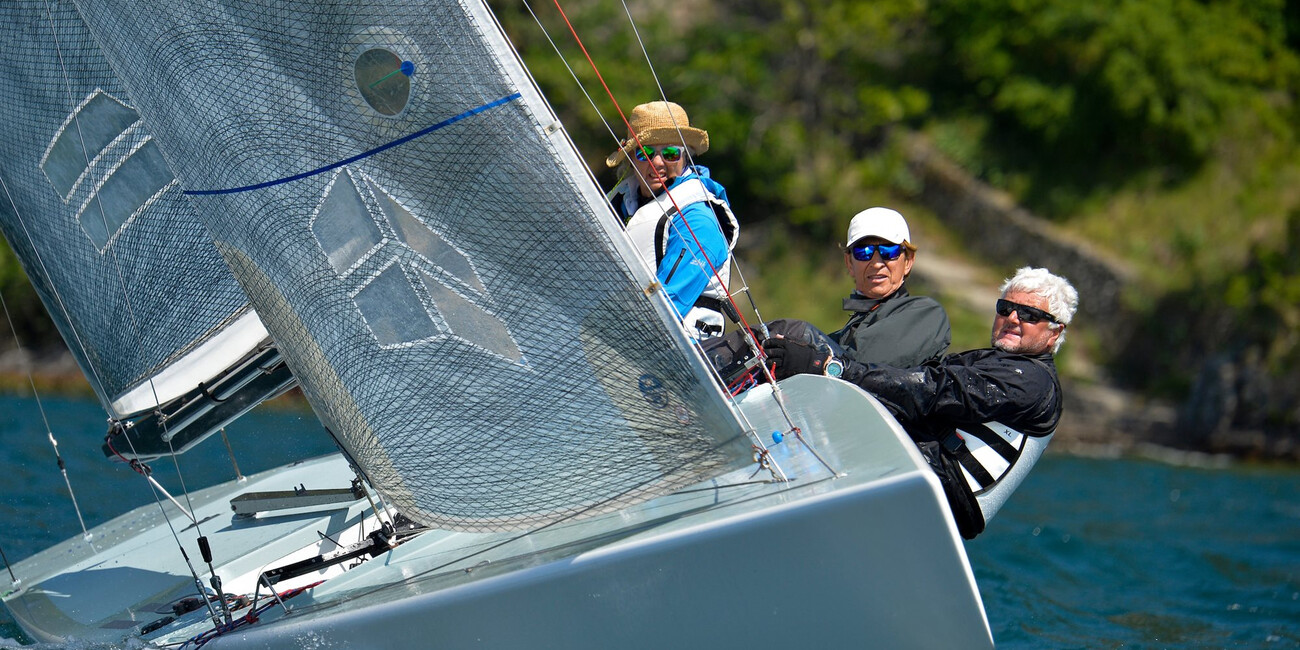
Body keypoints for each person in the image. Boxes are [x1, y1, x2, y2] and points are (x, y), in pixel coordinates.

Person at [763, 267, 1078, 539]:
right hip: (911, 464)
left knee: (800, 338)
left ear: (1054, 333)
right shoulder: (995, 361)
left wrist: (829, 367)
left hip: (937, 494)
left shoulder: (1032, 381)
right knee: (793, 338)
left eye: (1029, 315)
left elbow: (931, 390)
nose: (1012, 319)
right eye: (1005, 308)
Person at [703, 206, 948, 384]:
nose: (876, 262)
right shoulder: (850, 330)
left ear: (908, 261)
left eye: (888, 251)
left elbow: (866, 366)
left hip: (890, 424)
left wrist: (812, 361)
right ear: (849, 263)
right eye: (863, 252)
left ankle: (695, 369)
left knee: (792, 332)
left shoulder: (926, 313)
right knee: (779, 342)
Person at [607, 101, 738, 338]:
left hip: (683, 349)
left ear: (685, 157)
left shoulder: (698, 220)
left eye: (669, 154)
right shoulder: (623, 204)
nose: (657, 163)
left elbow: (667, 306)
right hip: (622, 335)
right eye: (645, 153)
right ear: (632, 159)